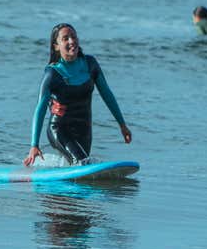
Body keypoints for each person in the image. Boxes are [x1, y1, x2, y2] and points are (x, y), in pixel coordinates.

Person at [24, 23, 132, 167]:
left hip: (84, 129)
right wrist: (34, 145)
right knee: (82, 162)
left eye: (73, 37)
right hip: (59, 129)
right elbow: (40, 108)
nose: (71, 41)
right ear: (56, 45)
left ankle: (58, 182)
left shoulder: (90, 64)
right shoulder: (52, 74)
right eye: (65, 38)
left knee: (79, 165)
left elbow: (107, 94)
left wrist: (122, 125)